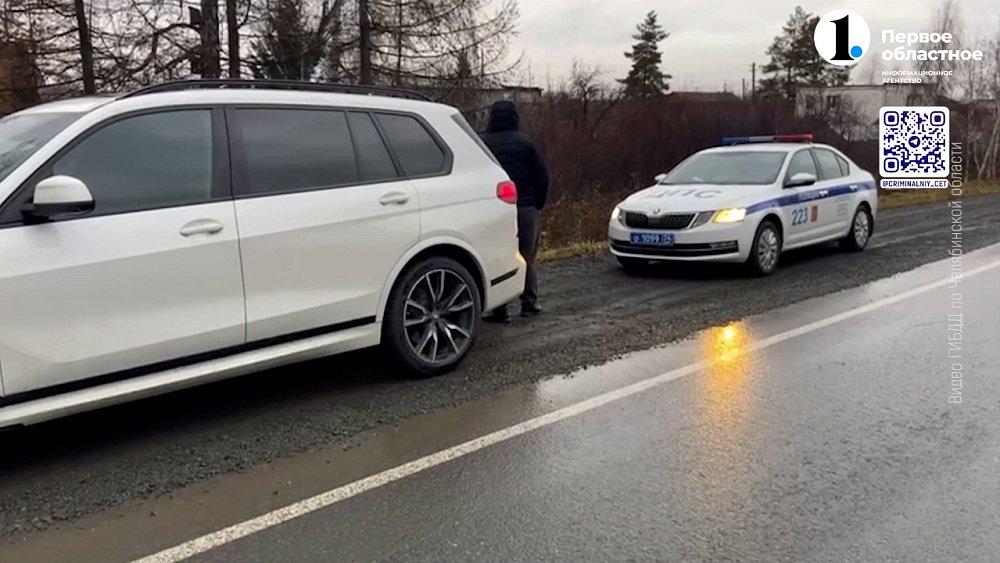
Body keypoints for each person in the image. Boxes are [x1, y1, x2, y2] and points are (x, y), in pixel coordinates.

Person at [480, 100, 550, 323]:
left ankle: (500, 309)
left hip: (494, 210)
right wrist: (537, 202)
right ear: (514, 117)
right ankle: (529, 303)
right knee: (527, 256)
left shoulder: (481, 143)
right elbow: (542, 176)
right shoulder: (525, 143)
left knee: (498, 257)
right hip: (525, 207)